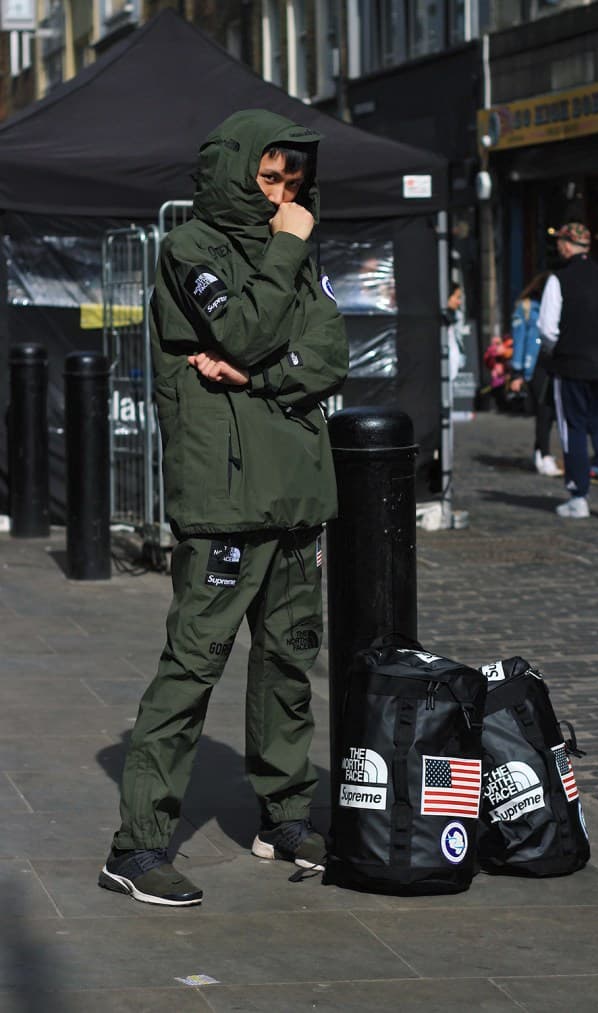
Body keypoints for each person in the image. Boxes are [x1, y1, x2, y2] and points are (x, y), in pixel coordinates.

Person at [98, 109, 349, 906]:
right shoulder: (191, 250)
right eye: (268, 179)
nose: (282, 196)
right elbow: (241, 330)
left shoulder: (292, 255)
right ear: (234, 172)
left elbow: (330, 353)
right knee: (193, 666)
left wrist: (264, 375)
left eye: (292, 181)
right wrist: (268, 331)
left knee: (287, 662)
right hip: (227, 497)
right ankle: (136, 846)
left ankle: (282, 816)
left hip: (296, 490)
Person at [538, 221, 598, 519]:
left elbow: (547, 329)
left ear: (567, 245)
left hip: (572, 364)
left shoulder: (559, 280)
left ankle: (578, 496)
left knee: (574, 428)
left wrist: (557, 348)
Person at [509, 272, 562, 477]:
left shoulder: (555, 306)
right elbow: (520, 340)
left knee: (548, 412)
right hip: (534, 365)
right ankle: (544, 454)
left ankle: (541, 452)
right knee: (544, 411)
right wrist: (517, 372)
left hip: (551, 362)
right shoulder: (527, 307)